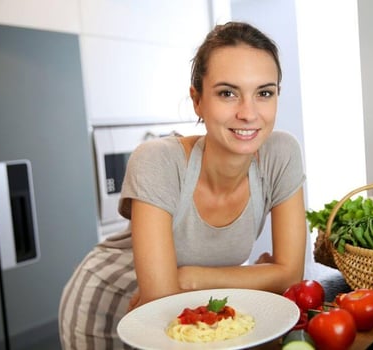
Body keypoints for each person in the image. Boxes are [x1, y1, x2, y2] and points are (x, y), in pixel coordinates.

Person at [58, 21, 307, 349]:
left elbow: (290, 276)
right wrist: (257, 277)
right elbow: (159, 297)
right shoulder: (157, 161)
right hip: (110, 304)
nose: (249, 113)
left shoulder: (281, 154)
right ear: (197, 100)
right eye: (227, 93)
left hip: (197, 312)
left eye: (264, 93)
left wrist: (190, 277)